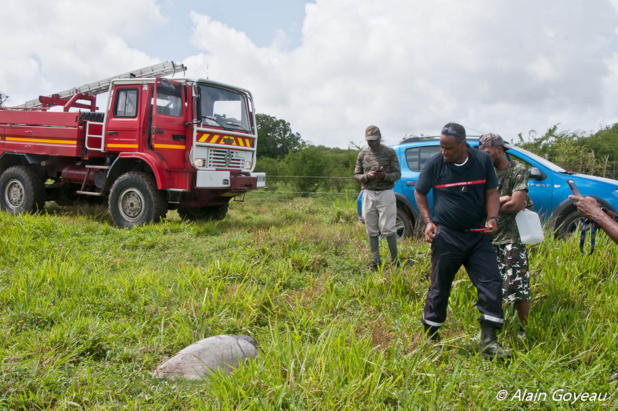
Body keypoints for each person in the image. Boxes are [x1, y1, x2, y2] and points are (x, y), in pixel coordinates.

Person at [414, 122, 510, 359]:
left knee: (491, 283)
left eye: (449, 148)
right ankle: (431, 337)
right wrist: (428, 221)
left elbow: (491, 191)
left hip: (478, 236)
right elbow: (420, 191)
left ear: (463, 145)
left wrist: (493, 218)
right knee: (440, 286)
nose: (444, 152)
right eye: (441, 147)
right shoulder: (435, 164)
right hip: (447, 235)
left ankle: (489, 343)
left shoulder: (482, 161)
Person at [479, 133, 533, 339]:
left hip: (513, 238)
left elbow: (517, 204)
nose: (484, 156)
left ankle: (524, 329)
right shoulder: (487, 173)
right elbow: (482, 204)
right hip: (490, 238)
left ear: (499, 150)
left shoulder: (517, 170)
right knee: (492, 287)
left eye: (487, 152)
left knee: (518, 286)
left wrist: (493, 204)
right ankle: (494, 327)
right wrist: (504, 198)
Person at [354, 125, 401, 269]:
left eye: (374, 140)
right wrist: (368, 176)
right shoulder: (362, 154)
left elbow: (397, 174)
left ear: (379, 138)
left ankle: (395, 260)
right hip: (368, 193)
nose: (372, 143)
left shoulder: (389, 152)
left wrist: (384, 176)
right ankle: (376, 261)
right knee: (371, 229)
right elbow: (356, 176)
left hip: (386, 193)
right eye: (369, 141)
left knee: (388, 228)